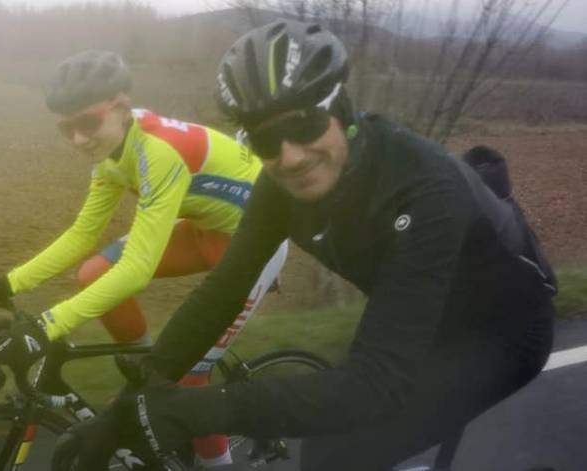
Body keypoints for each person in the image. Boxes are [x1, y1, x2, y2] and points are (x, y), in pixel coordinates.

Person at [51, 20, 557, 471]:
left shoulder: (424, 190)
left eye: (303, 124)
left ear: (340, 109)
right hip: (419, 313)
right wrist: (125, 406)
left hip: (500, 334)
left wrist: (193, 409)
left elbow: (372, 386)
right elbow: (221, 293)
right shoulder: (280, 186)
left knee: (332, 458)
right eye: (265, 141)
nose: (290, 156)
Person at [0, 50, 289, 467]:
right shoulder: (112, 154)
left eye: (87, 123)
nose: (78, 139)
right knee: (94, 273)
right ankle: (146, 380)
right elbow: (82, 236)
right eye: (65, 129)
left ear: (122, 108)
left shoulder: (158, 151)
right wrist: (5, 285)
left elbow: (138, 269)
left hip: (253, 241)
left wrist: (47, 326)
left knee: (191, 372)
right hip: (205, 231)